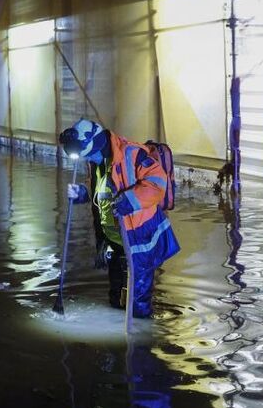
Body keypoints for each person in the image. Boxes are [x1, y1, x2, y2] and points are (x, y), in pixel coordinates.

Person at [60, 118, 179, 318]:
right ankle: (118, 338)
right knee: (116, 297)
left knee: (137, 303)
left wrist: (130, 200)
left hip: (139, 239)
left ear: (96, 144)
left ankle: (141, 340)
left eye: (88, 155)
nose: (88, 160)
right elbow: (102, 194)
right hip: (115, 242)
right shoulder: (97, 162)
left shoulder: (131, 154)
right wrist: (82, 194)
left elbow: (158, 182)